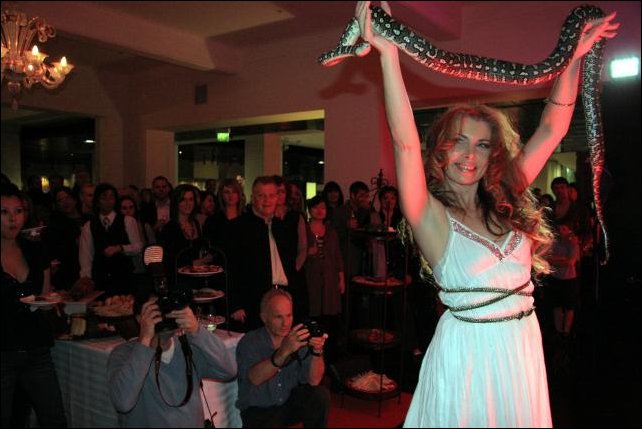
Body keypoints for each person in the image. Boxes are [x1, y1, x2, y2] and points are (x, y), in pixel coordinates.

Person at [355, 1, 618, 426]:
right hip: (468, 359)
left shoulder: (507, 194)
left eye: (481, 144)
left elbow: (552, 128)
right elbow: (404, 142)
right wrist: (389, 55)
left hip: (521, 350)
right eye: (459, 141)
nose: (469, 155)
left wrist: (574, 58)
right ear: (441, 148)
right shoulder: (430, 216)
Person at [107, 285, 237, 428]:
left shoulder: (188, 347)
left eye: (167, 309)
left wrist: (196, 330)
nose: (165, 315)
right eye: (156, 310)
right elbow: (122, 403)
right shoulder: (124, 354)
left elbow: (229, 372)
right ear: (140, 318)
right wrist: (144, 340)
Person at [1, 183, 67, 427]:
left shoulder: (34, 248)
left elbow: (44, 295)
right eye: (4, 212)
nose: (12, 219)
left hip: (35, 349)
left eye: (18, 211)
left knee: (54, 418)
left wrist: (50, 302)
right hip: (3, 350)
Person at [236, 288, 330, 428]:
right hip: (259, 411)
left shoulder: (297, 339)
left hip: (286, 404)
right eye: (278, 317)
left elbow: (314, 380)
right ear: (264, 318)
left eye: (289, 315)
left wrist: (317, 351)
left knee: (319, 395)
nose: (286, 323)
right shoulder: (250, 341)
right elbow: (255, 378)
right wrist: (284, 351)